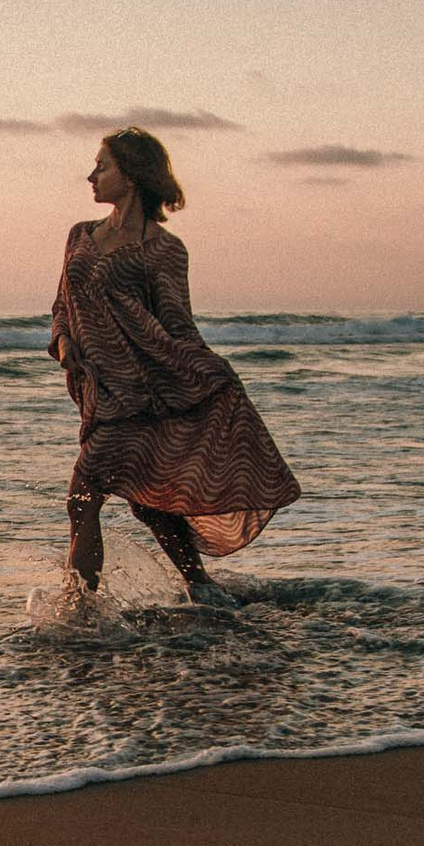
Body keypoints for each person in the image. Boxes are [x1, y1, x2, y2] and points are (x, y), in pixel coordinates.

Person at [47, 127, 301, 606]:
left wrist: (210, 376)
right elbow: (61, 303)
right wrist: (63, 344)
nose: (91, 176)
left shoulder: (164, 250)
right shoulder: (80, 235)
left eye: (102, 166)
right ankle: (203, 589)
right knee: (149, 505)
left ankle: (79, 612)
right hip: (100, 393)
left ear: (134, 174)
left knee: (82, 499)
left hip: (142, 395)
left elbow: (177, 326)